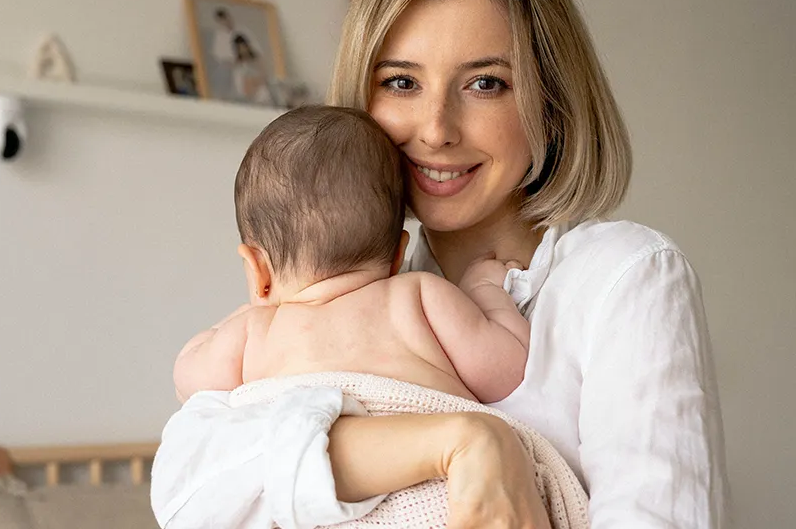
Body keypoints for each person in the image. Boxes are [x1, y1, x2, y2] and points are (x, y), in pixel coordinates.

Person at [169, 0, 729, 529]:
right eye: (401, 82)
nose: (436, 129)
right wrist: (464, 441)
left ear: (550, 102)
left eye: (486, 84)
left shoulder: (625, 279)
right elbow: (189, 485)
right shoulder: (348, 299)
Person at [154, 105, 537, 528]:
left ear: (257, 270)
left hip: (312, 498)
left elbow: (189, 381)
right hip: (440, 503)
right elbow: (505, 369)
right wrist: (484, 289)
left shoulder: (254, 331)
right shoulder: (419, 296)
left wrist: (228, 324)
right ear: (398, 253)